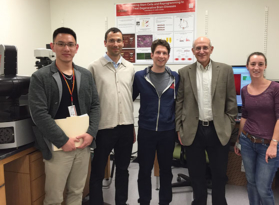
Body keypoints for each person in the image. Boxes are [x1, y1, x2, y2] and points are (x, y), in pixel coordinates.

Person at [28, 27, 100, 205]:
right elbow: (38, 113)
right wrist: (62, 140)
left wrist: (91, 133)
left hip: (82, 144)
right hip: (58, 147)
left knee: (77, 192)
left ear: (77, 47)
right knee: (54, 197)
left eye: (70, 44)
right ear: (53, 46)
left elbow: (95, 106)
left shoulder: (85, 75)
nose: (66, 49)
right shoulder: (40, 77)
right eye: (61, 44)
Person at [176, 36, 237, 205]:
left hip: (217, 129)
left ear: (211, 49)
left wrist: (229, 124)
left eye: (205, 47)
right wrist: (178, 129)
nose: (201, 51)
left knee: (219, 174)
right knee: (196, 174)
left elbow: (231, 102)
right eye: (198, 48)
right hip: (192, 130)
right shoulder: (184, 72)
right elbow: (179, 102)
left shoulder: (225, 70)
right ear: (193, 51)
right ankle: (199, 202)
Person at [88, 27, 135, 205]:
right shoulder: (94, 67)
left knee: (123, 169)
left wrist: (132, 127)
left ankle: (121, 202)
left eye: (118, 40)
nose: (115, 44)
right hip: (103, 128)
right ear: (105, 43)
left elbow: (129, 96)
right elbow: (89, 100)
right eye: (112, 40)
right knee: (98, 170)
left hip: (126, 127)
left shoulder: (130, 68)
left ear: (123, 43)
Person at [234, 52, 279, 205]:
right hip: (247, 141)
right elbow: (244, 115)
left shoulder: (276, 88)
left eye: (260, 64)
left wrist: (274, 144)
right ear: (247, 66)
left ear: (265, 66)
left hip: (268, 144)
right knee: (251, 183)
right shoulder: (245, 90)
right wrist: (238, 139)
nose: (256, 67)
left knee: (264, 188)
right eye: (253, 64)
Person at [133, 39, 179, 205]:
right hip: (146, 130)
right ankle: (144, 200)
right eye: (158, 53)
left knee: (166, 170)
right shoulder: (140, 76)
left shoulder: (175, 77)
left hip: (167, 132)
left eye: (164, 53)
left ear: (168, 56)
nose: (161, 56)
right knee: (144, 170)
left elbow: (179, 105)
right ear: (152, 55)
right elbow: (128, 99)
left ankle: (164, 202)